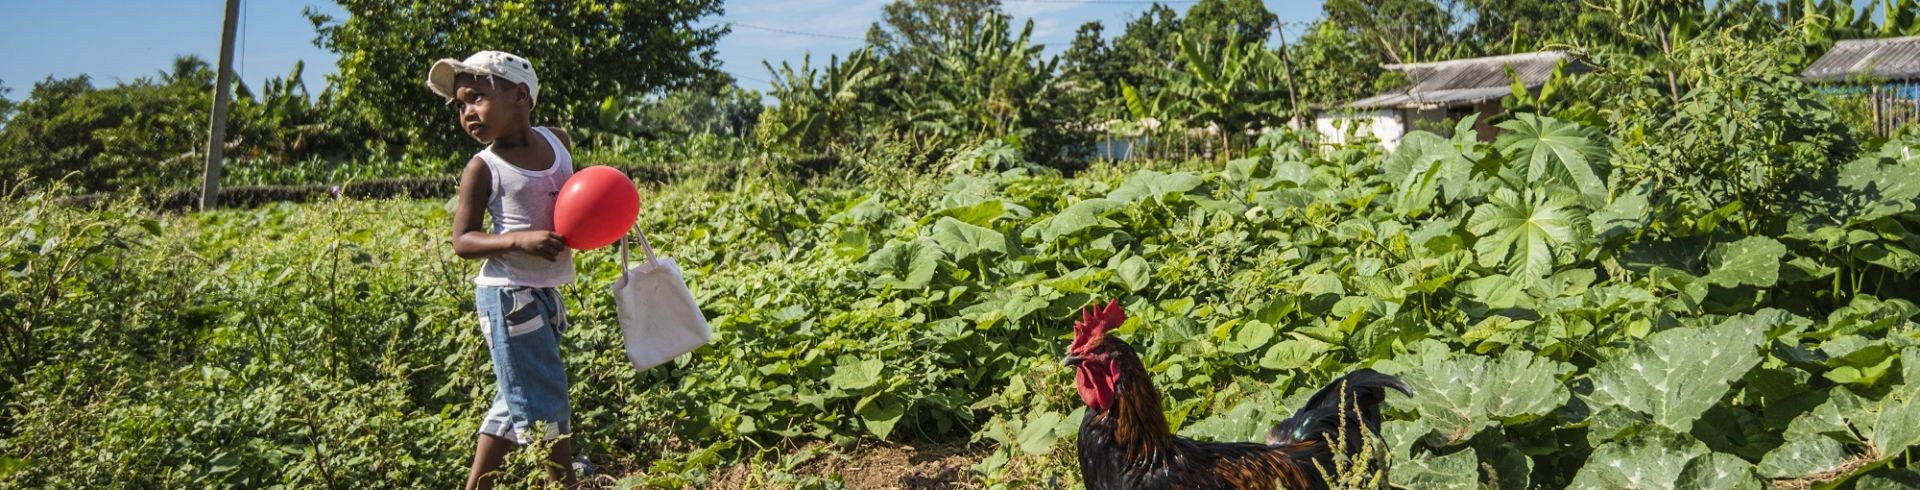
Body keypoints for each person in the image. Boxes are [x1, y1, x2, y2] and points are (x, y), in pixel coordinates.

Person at [427, 50, 582, 489]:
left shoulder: (558, 141)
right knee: (544, 397)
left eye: (476, 97)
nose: (467, 112)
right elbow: (463, 240)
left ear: (520, 96)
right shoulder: (482, 168)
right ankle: (564, 485)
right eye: (460, 105)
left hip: (547, 291)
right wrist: (519, 240)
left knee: (514, 396)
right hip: (508, 294)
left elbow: (573, 198)